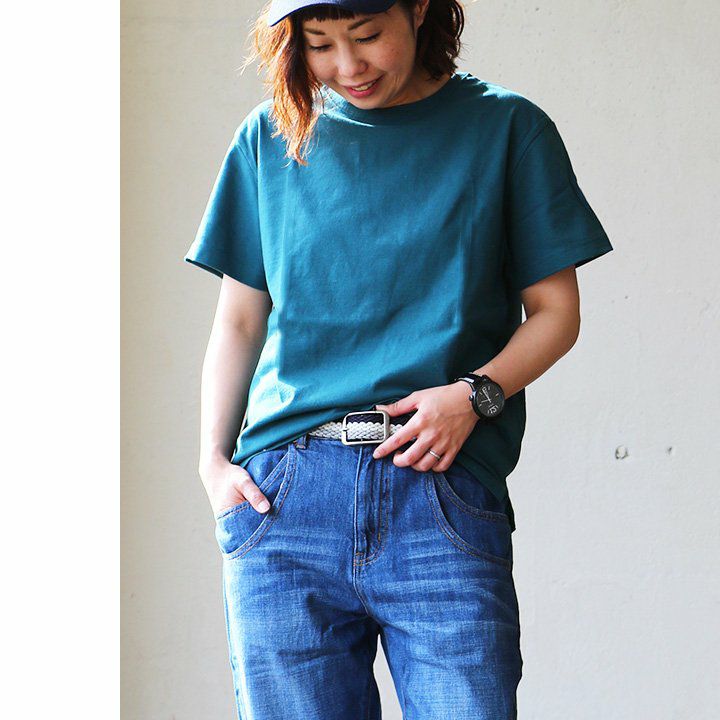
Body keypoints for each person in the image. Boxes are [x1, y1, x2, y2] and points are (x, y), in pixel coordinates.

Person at [183, 1, 613, 717]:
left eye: (367, 35)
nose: (347, 66)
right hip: (284, 497)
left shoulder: (507, 129)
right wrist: (211, 463)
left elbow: (556, 314)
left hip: (438, 485)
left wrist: (473, 395)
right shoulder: (269, 138)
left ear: (418, 9)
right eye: (319, 44)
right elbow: (238, 320)